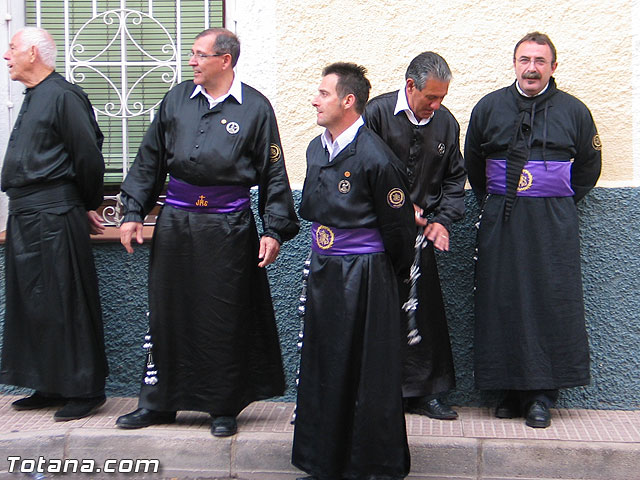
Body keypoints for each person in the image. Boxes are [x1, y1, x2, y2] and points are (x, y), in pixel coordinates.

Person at [115, 28, 299, 437]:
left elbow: (273, 173)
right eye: (192, 54)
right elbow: (150, 159)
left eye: (200, 55)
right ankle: (159, 403)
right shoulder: (176, 100)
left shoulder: (255, 108)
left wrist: (274, 230)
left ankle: (222, 405)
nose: (192, 62)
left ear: (225, 60)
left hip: (229, 228)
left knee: (224, 315)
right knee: (168, 313)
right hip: (177, 224)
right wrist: (132, 211)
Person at [465, 32, 601, 428]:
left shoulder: (574, 111)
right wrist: (497, 202)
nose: (532, 67)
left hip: (552, 223)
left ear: (553, 67)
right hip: (501, 220)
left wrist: (554, 198)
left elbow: (589, 166)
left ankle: (541, 395)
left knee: (548, 300)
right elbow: (474, 162)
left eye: (540, 61)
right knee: (502, 298)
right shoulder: (489, 107)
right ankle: (508, 389)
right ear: (514, 64)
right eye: (525, 59)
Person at [292, 62, 415, 480]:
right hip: (324, 270)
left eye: (323, 93)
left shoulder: (378, 158)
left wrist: (384, 277)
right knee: (325, 362)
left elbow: (399, 232)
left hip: (365, 275)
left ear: (348, 101)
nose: (314, 99)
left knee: (366, 369)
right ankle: (321, 459)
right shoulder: (315, 148)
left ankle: (370, 464)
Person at [0, 27, 108, 421]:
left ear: (33, 53)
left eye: (12, 49)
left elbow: (88, 156)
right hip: (26, 215)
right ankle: (48, 383)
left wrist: (86, 202)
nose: (6, 56)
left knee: (66, 300)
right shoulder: (34, 96)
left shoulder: (64, 95)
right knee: (33, 302)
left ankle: (84, 389)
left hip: (55, 213)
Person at [364, 52, 465, 420]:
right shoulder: (374, 115)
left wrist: (444, 220)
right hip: (375, 237)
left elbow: (456, 178)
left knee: (425, 316)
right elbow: (361, 170)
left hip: (423, 238)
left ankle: (428, 392)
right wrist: (398, 210)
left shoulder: (446, 123)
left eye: (442, 98)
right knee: (380, 314)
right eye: (430, 98)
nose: (436, 105)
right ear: (410, 86)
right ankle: (382, 391)